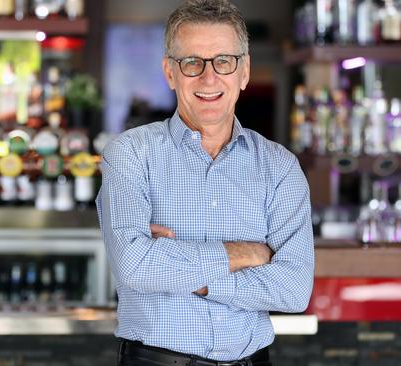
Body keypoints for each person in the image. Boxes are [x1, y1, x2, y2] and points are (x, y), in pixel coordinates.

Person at [96, 0, 314, 365]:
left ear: (243, 72)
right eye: (192, 62)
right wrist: (245, 254)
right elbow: (134, 266)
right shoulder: (129, 154)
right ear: (170, 72)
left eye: (223, 61)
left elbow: (293, 290)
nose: (209, 78)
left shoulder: (280, 168)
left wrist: (184, 273)